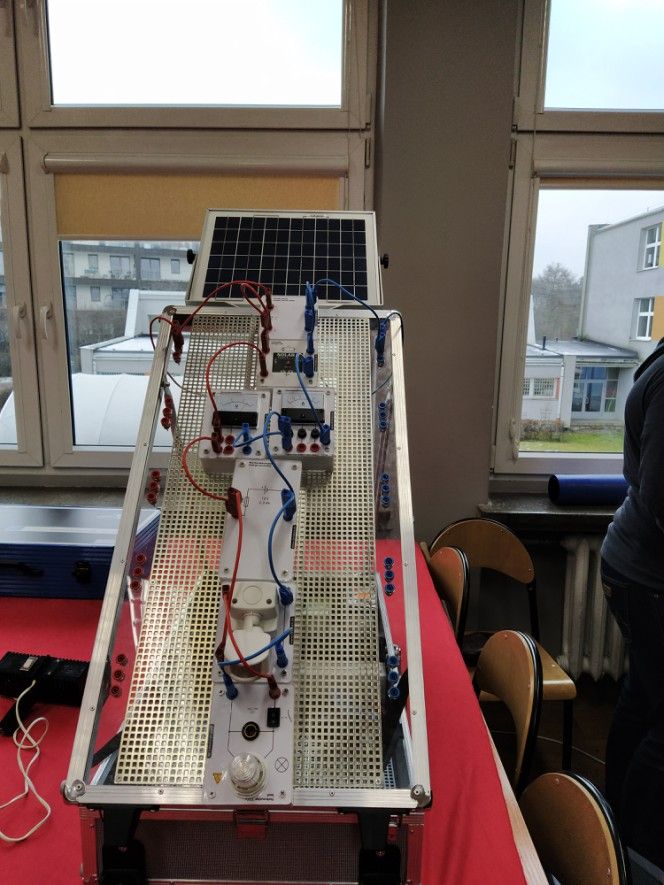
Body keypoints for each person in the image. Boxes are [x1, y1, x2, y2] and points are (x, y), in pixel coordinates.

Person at [600, 336, 664, 871]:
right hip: (647, 575)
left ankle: (607, 831)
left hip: (634, 566)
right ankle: (637, 856)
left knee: (642, 699)